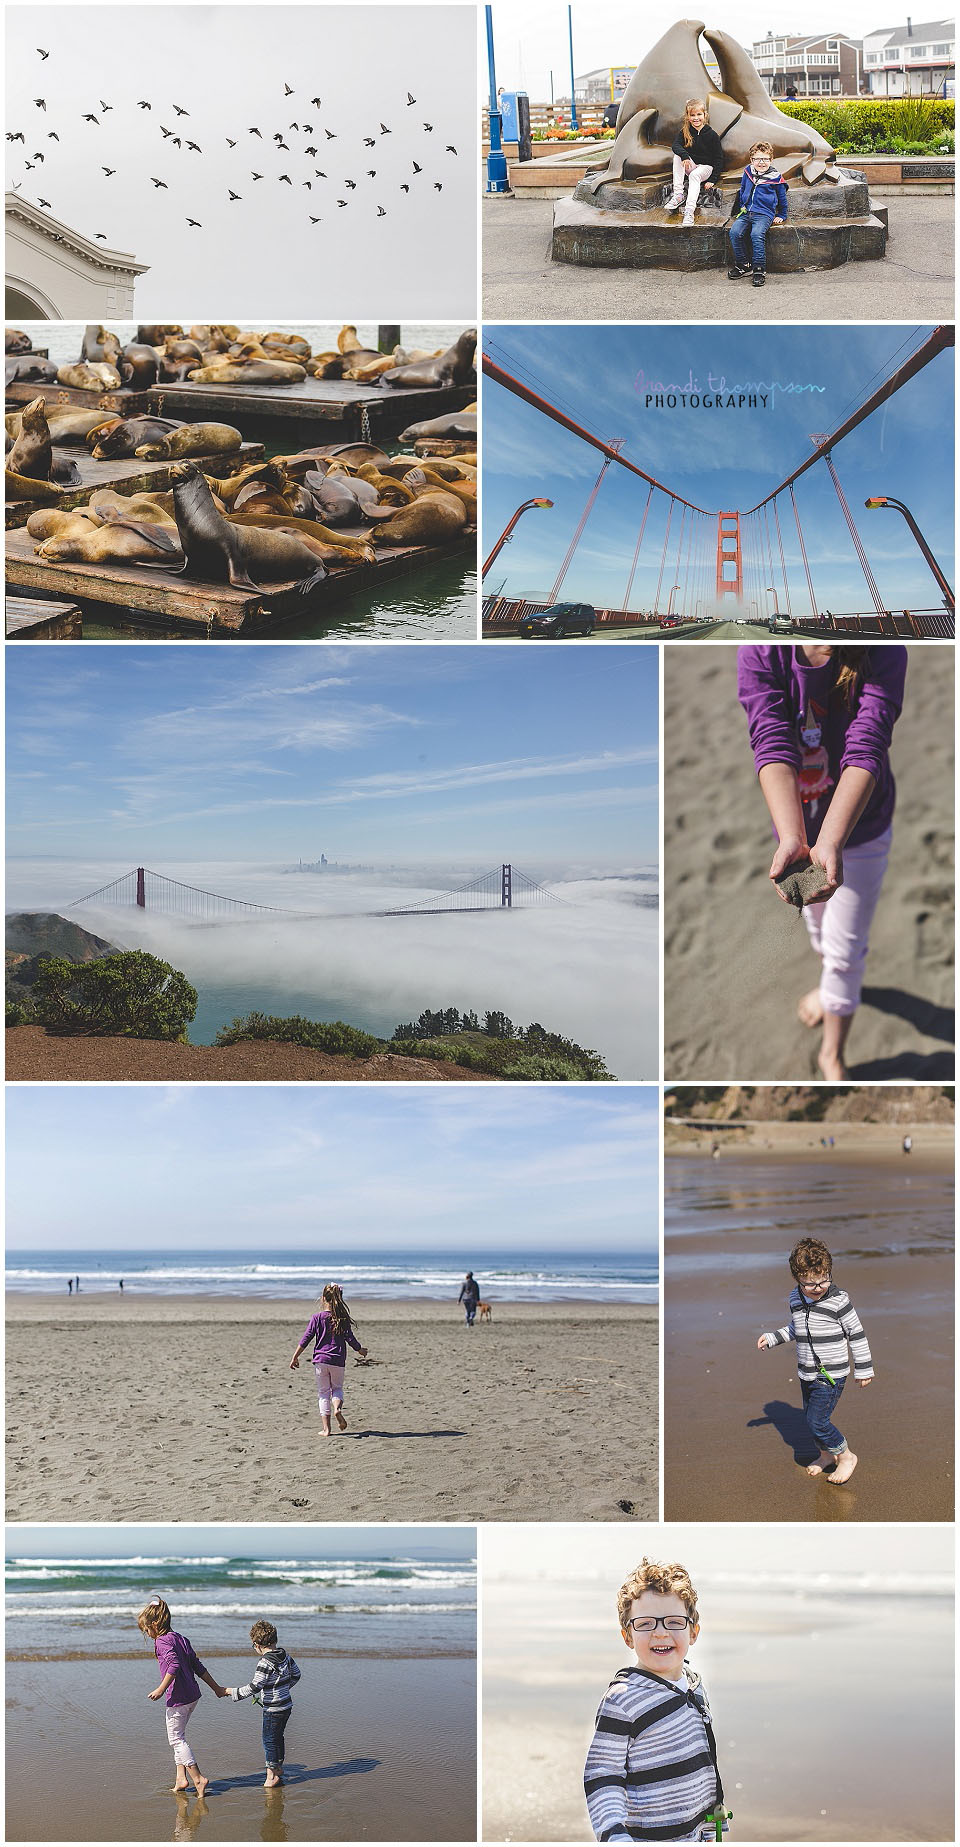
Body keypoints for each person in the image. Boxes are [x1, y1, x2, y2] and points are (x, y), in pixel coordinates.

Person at [737, 645, 907, 1079]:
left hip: (861, 828)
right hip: (798, 833)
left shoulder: (884, 651)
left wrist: (830, 839)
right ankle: (829, 983)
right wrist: (795, 837)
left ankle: (832, 1052)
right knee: (818, 929)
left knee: (846, 950)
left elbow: (867, 744)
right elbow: (771, 741)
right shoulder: (761, 652)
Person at [584, 1557, 727, 1842]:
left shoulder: (695, 1685)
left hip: (699, 1833)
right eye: (646, 1623)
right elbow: (603, 1775)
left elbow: (703, 1761)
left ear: (693, 1632)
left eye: (674, 1622)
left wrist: (714, 1825)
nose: (660, 1632)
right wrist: (614, 1834)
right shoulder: (622, 1701)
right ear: (628, 1636)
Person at [757, 1234, 874, 1484]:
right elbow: (795, 1328)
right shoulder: (795, 1299)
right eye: (811, 1283)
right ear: (797, 1278)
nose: (819, 1287)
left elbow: (857, 1333)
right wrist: (773, 1337)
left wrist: (863, 1369)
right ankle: (826, 1455)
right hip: (807, 1372)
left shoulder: (839, 1301)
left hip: (832, 1373)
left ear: (829, 1272)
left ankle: (845, 1456)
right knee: (812, 1422)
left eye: (824, 1280)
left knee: (817, 1421)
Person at [138, 1596, 227, 1795]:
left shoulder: (162, 1641)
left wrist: (161, 1689)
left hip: (177, 1697)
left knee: (176, 1740)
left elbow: (174, 1665)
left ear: (155, 1624)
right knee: (180, 1736)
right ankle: (181, 1778)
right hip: (192, 1696)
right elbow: (197, 1666)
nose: (147, 1634)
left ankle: (198, 1778)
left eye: (146, 1629)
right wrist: (216, 1688)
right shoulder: (180, 1638)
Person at [227, 1619, 301, 1789]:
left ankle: (271, 1775)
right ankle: (278, 1767)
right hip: (286, 1705)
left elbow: (255, 1686)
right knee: (278, 1737)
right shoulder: (285, 1656)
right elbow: (296, 1675)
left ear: (257, 1645)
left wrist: (232, 1692)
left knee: (269, 1740)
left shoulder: (264, 1662)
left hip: (273, 1709)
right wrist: (284, 1688)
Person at [289, 1283, 368, 1437]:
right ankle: (337, 1409)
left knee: (323, 1393)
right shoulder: (342, 1319)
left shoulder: (317, 1318)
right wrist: (360, 1350)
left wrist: (295, 1356)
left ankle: (326, 1430)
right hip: (338, 1361)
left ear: (323, 1298)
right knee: (337, 1389)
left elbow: (306, 1339)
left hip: (321, 1361)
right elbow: (350, 1339)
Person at [727, 139, 787, 287]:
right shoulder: (748, 172)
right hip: (747, 212)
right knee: (735, 233)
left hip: (764, 214)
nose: (761, 162)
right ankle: (743, 265)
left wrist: (782, 215)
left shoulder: (775, 178)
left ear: (771, 160)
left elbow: (782, 198)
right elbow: (743, 189)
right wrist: (742, 206)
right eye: (757, 159)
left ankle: (759, 269)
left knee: (756, 235)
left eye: (765, 159)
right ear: (751, 159)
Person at [664, 99, 723, 227]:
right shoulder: (685, 132)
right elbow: (675, 146)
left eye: (699, 114)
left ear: (705, 115)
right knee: (677, 156)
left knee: (694, 176)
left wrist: (713, 179)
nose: (696, 118)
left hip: (706, 168)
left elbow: (719, 159)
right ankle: (679, 195)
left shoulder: (712, 135)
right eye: (692, 115)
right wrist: (684, 155)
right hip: (693, 165)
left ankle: (689, 212)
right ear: (688, 117)